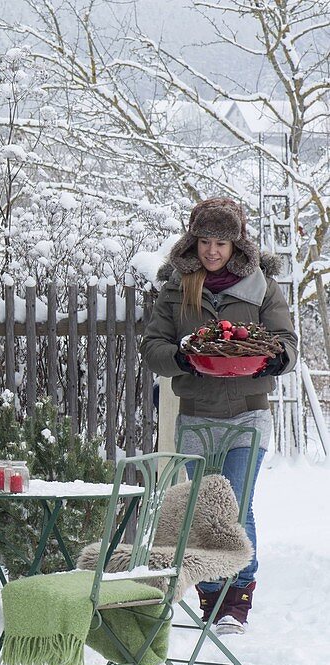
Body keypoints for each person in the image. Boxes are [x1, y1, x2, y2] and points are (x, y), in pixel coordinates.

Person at [140, 197, 297, 635]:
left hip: (248, 414)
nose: (212, 251)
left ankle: (238, 599)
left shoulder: (261, 287)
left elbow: (287, 341)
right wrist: (185, 358)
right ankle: (210, 593)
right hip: (196, 415)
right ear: (195, 241)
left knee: (236, 506)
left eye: (222, 243)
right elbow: (153, 347)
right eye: (206, 241)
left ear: (236, 246)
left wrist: (272, 360)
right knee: (198, 507)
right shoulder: (177, 286)